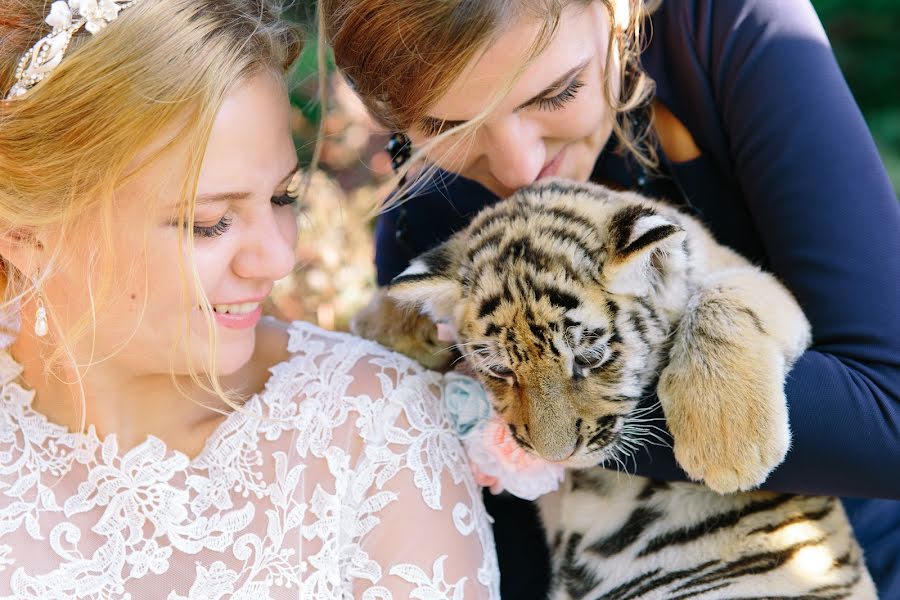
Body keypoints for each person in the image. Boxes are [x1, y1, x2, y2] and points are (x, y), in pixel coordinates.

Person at [320, 0, 900, 597]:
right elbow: (493, 539)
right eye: (446, 127)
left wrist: (716, 335)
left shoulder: (728, 25)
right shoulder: (426, 221)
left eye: (555, 93)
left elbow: (891, 414)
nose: (519, 167)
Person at [0, 1, 499, 597]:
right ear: (25, 235)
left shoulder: (372, 434)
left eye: (284, 198)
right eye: (210, 221)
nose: (277, 259)